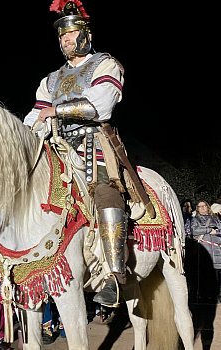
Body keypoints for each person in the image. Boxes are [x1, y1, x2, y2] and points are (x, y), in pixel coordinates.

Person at [23, 0, 133, 308]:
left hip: (94, 147)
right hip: (57, 148)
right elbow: (34, 118)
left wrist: (54, 111)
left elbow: (100, 106)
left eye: (71, 34)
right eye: (61, 37)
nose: (65, 41)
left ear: (86, 34)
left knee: (106, 195)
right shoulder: (51, 80)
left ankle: (114, 275)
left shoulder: (105, 64)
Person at [190, 200, 221, 301]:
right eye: (200, 206)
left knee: (217, 274)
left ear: (208, 207)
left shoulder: (216, 219)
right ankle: (204, 295)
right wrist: (209, 230)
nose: (203, 208)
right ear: (197, 209)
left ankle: (216, 295)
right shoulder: (195, 220)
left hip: (217, 250)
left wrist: (216, 231)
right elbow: (194, 231)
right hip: (203, 251)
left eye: (204, 206)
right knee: (204, 273)